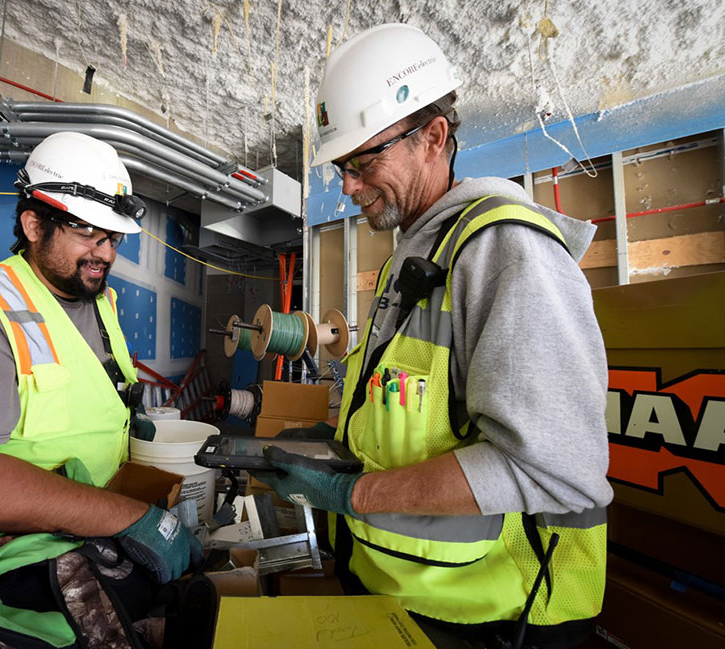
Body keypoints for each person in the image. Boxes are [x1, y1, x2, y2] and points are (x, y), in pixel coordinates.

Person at [256, 24, 612, 649]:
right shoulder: (412, 262)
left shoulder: (505, 251)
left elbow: (555, 470)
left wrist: (353, 490)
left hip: (497, 621)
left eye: (364, 162)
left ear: (435, 139)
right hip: (404, 597)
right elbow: (416, 413)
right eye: (344, 166)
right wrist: (336, 444)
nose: (348, 185)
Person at [0, 132, 202, 649]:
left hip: (69, 555)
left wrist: (129, 426)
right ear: (33, 224)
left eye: (113, 238)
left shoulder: (100, 304)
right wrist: (132, 517)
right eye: (89, 235)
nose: (105, 254)